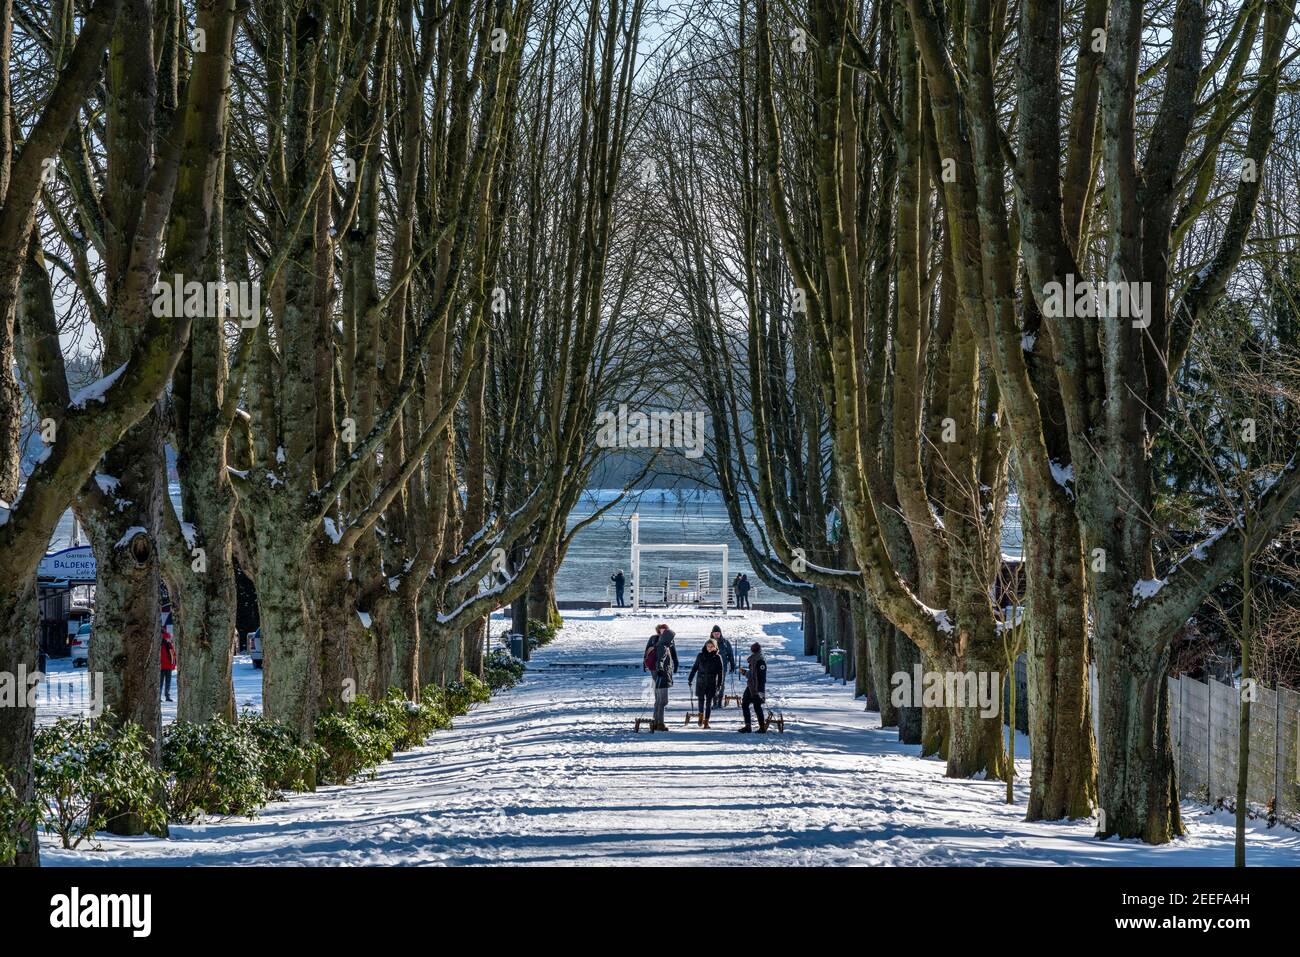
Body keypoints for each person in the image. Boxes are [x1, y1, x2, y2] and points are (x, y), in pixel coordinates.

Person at [644, 623, 679, 730]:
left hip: (662, 674)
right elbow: (660, 659)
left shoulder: (664, 644)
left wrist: (675, 663)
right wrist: (659, 670)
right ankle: (660, 723)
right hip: (661, 675)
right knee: (663, 700)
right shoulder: (662, 646)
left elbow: (671, 655)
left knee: (659, 700)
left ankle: (656, 721)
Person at [688, 637, 725, 728]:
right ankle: (701, 716)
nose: (709, 648)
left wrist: (719, 684)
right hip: (701, 681)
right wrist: (690, 678)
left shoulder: (717, 657)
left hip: (711, 682)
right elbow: (695, 667)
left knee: (708, 702)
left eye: (712, 646)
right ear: (706, 646)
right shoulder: (700, 655)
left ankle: (706, 721)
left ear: (715, 647)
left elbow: (720, 672)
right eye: (708, 646)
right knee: (701, 700)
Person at [738, 641, 767, 732]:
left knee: (756, 706)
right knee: (745, 704)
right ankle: (748, 726)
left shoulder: (760, 662)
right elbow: (751, 675)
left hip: (757, 688)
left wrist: (759, 690)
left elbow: (761, 678)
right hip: (751, 686)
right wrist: (744, 672)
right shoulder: (753, 660)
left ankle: (762, 727)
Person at [708, 625, 735, 708]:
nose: (716, 635)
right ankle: (714, 702)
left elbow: (730, 655)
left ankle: (719, 702)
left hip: (723, 668)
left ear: (720, 634)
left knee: (721, 684)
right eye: (715, 633)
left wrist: (732, 664)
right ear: (712, 634)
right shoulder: (709, 643)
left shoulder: (725, 643)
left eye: (718, 633)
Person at [160, 626, 177, 702]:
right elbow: (173, 655)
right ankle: (166, 696)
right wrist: (173, 665)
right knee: (167, 682)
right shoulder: (168, 644)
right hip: (166, 666)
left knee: (162, 682)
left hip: (163, 666)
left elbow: (173, 655)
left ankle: (163, 696)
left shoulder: (160, 644)